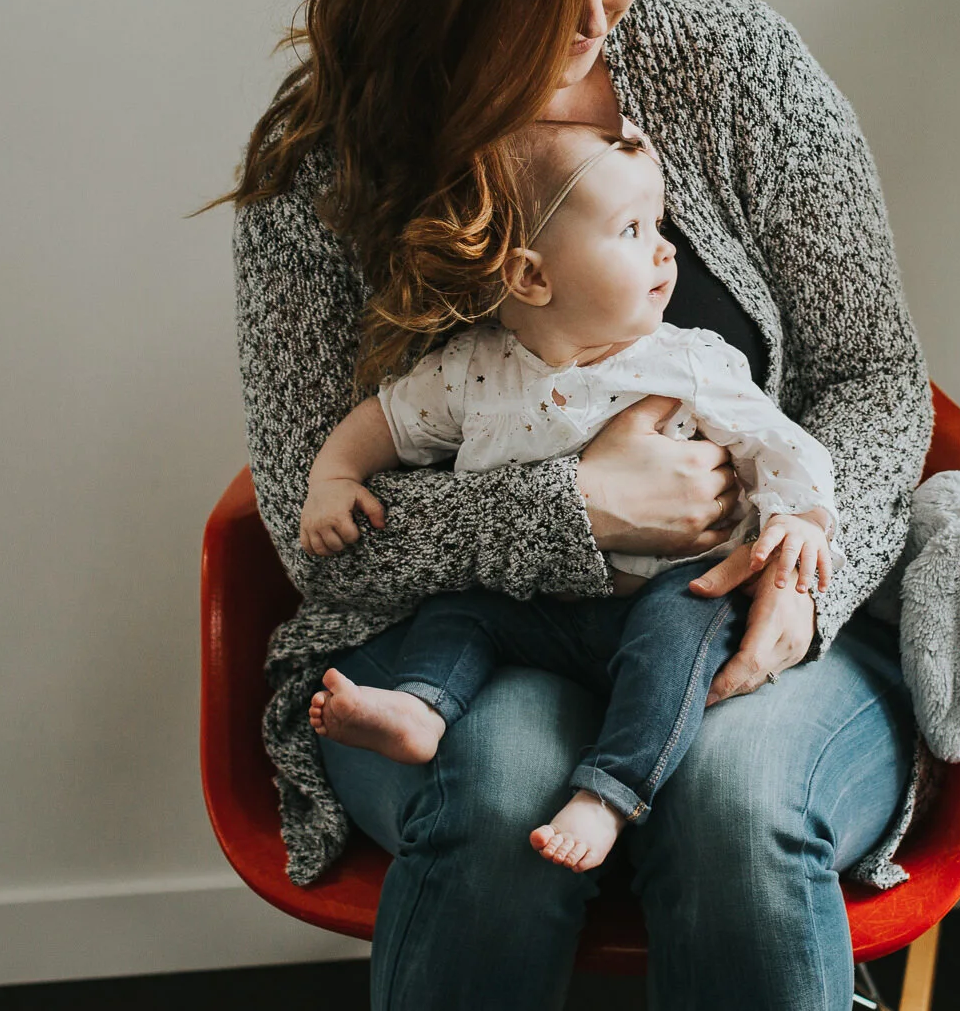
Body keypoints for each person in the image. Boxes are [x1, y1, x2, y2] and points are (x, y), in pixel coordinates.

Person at [208, 0, 933, 1011]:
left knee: (739, 800)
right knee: (499, 789)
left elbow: (873, 372)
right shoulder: (324, 167)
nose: (598, 13)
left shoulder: (734, 70)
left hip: (734, 606)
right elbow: (315, 530)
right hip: (453, 646)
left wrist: (802, 576)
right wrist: (573, 510)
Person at [297, 123, 839, 873]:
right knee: (460, 610)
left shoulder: (686, 362)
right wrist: (333, 479)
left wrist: (801, 518)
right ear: (531, 277)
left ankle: (609, 793)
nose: (667, 250)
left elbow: (780, 445)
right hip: (542, 607)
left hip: (670, 590)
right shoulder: (473, 371)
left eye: (659, 223)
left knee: (675, 641)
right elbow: (383, 423)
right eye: (632, 229)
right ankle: (420, 706)